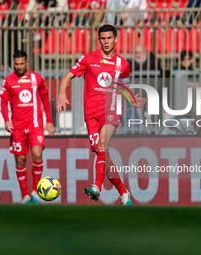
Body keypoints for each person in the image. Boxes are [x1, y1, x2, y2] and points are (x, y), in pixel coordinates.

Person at [57, 24, 146, 205]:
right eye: (103, 39)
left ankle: (96, 186)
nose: (106, 42)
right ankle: (123, 192)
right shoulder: (88, 59)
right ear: (99, 40)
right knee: (102, 153)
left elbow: (125, 86)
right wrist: (61, 95)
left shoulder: (123, 64)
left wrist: (131, 100)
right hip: (91, 113)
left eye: (109, 38)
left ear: (116, 39)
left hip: (111, 111)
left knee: (103, 142)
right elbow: (67, 77)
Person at [0, 50, 55, 204]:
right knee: (21, 160)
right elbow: (3, 102)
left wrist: (49, 121)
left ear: (27, 63)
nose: (19, 66)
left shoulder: (37, 78)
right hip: (17, 127)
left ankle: (35, 191)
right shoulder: (8, 81)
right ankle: (25, 195)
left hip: (35, 125)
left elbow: (45, 98)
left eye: (21, 64)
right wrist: (6, 120)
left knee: (37, 154)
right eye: (16, 64)